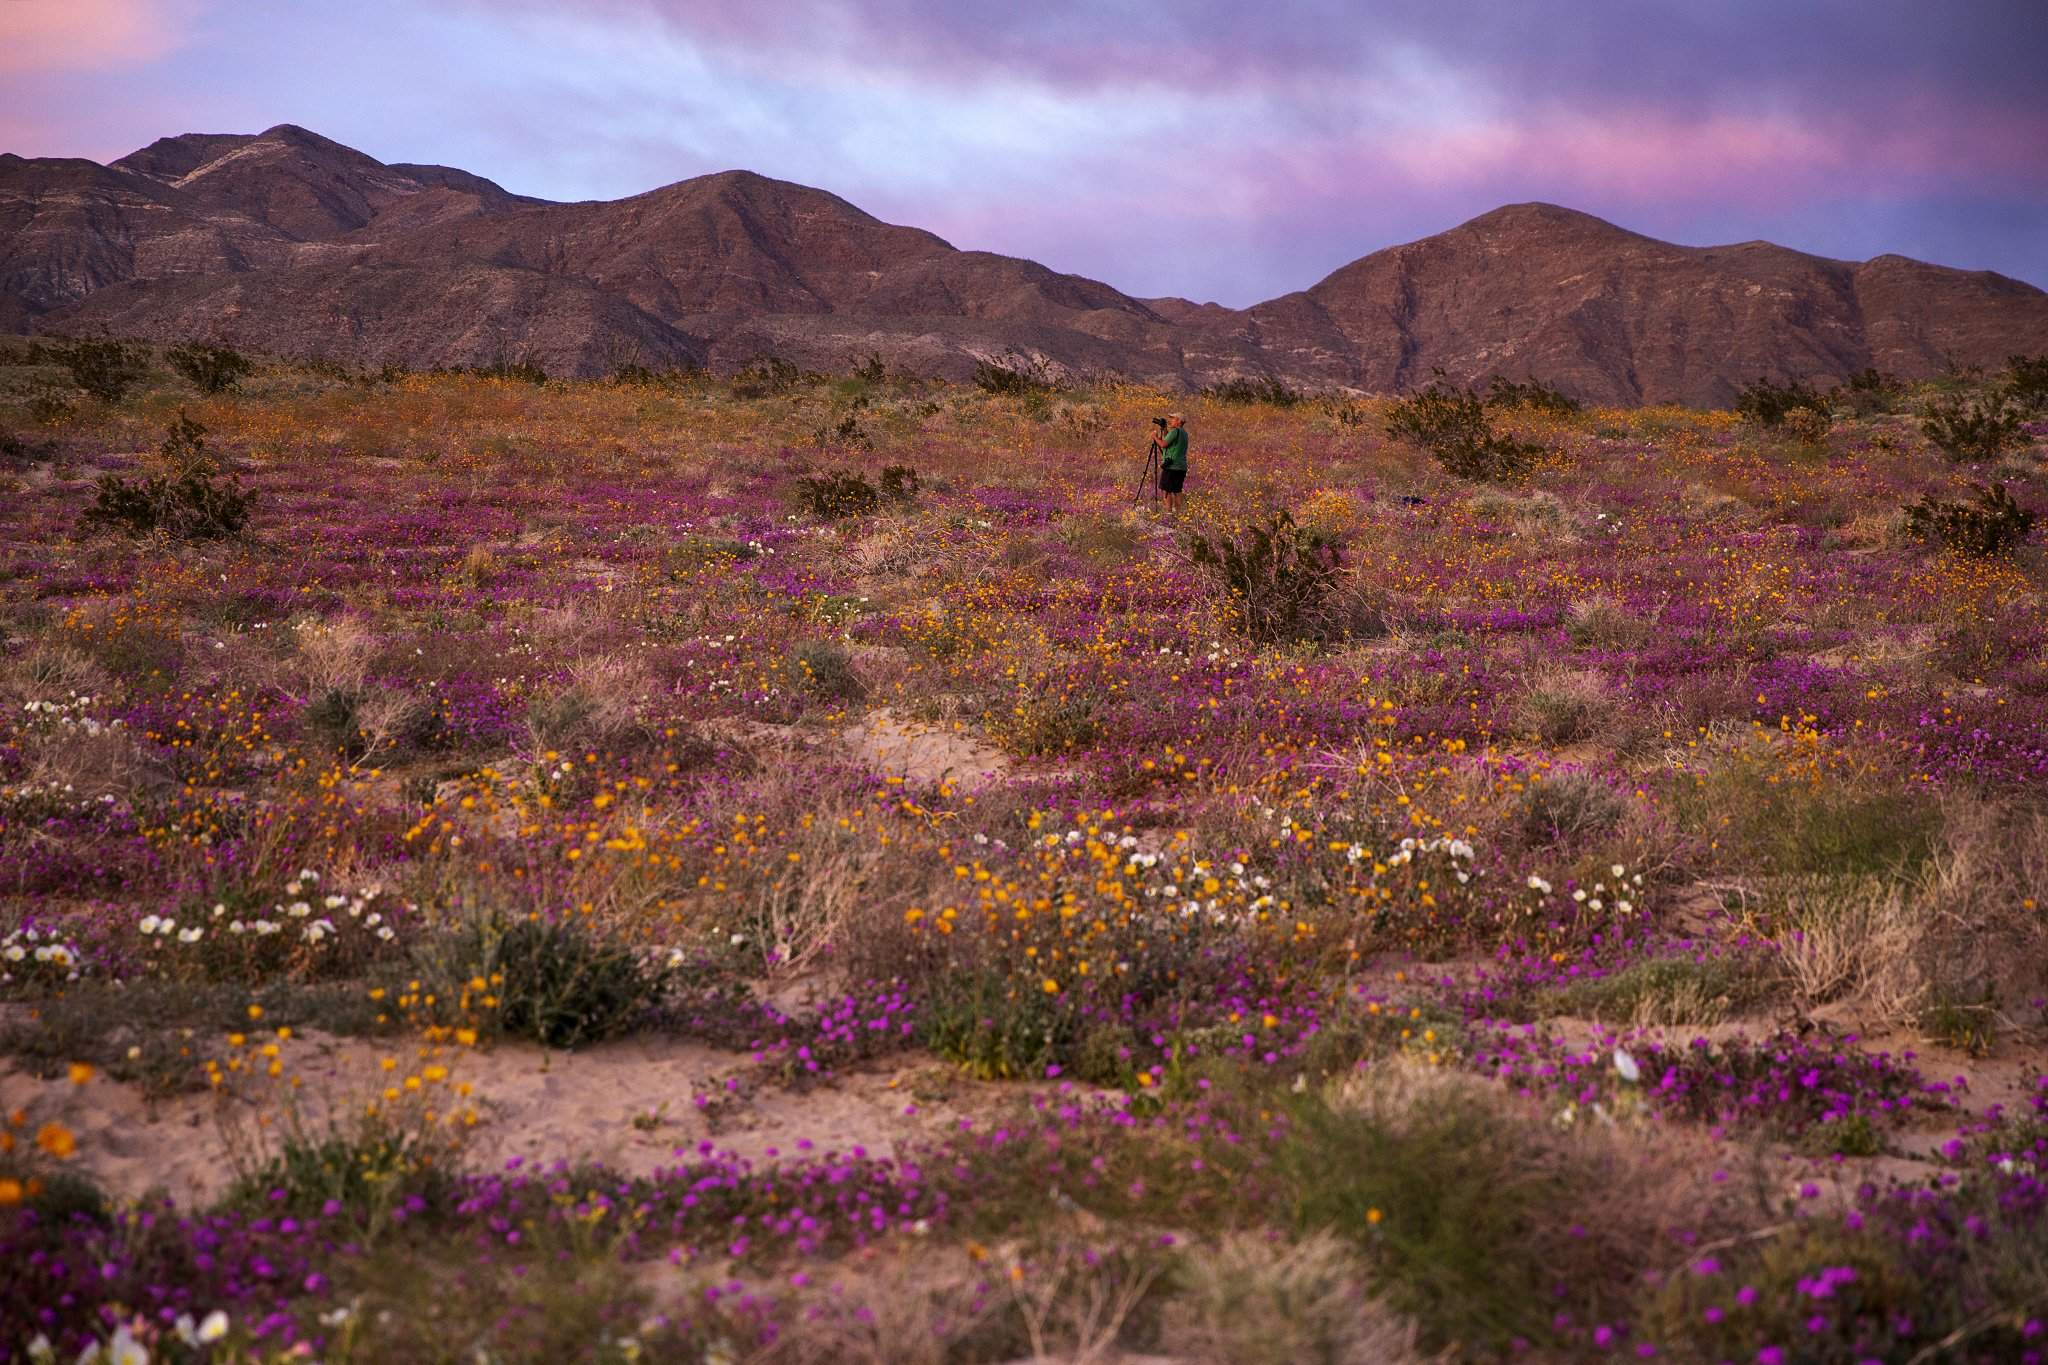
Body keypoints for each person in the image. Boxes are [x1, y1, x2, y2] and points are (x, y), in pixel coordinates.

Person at [1154, 411, 1188, 512]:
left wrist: (1154, 437)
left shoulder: (1175, 431)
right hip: (1181, 466)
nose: (1170, 420)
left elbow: (1163, 444)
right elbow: (1169, 441)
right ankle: (1179, 513)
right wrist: (1164, 429)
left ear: (1178, 421)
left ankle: (1168, 513)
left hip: (1171, 466)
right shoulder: (1184, 433)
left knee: (1167, 490)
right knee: (1177, 490)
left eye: (1173, 418)